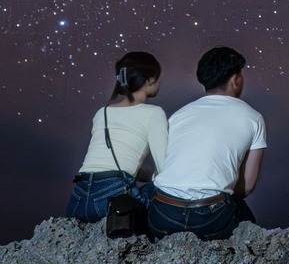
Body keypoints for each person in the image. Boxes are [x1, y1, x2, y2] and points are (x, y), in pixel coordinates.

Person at [148, 46, 266, 240]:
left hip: (162, 214)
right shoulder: (253, 118)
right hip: (210, 218)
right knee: (245, 218)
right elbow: (246, 188)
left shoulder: (179, 115)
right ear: (235, 79)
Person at [66, 51, 167, 222]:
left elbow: (108, 163)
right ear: (150, 80)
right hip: (113, 200)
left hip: (78, 200)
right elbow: (164, 167)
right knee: (168, 191)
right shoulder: (154, 113)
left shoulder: (102, 112)